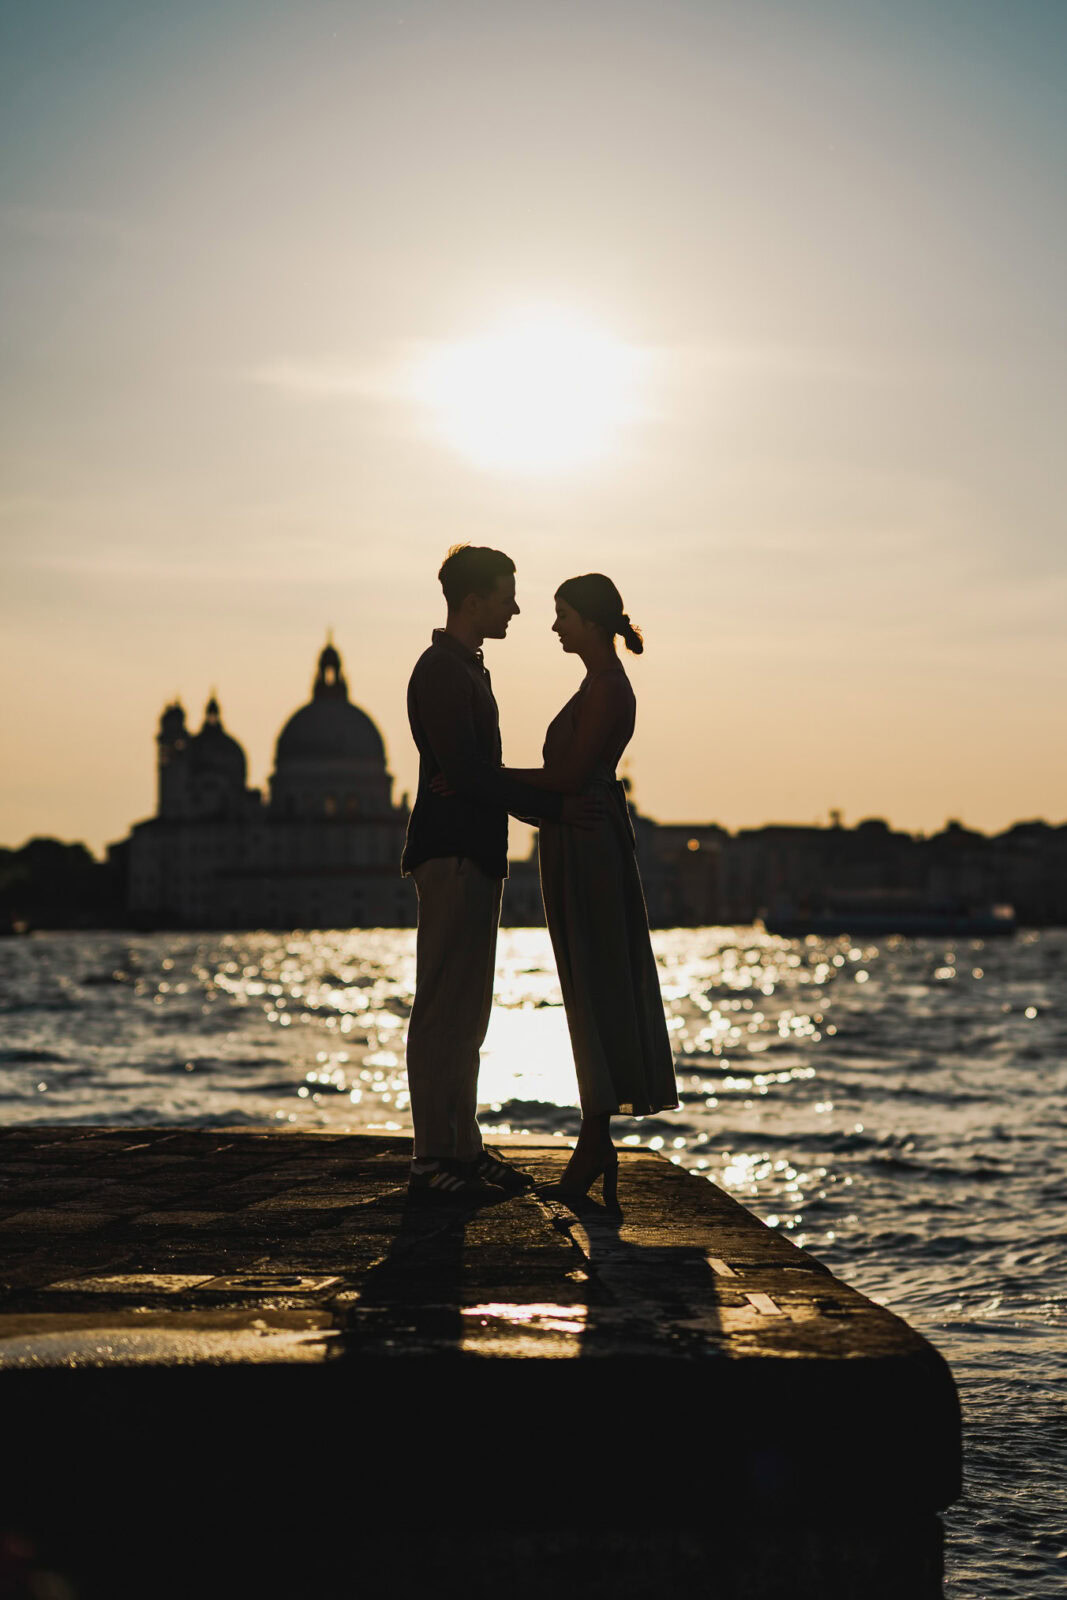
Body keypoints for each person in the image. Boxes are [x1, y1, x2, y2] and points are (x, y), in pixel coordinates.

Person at [443, 573, 678, 1209]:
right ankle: (595, 1138)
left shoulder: (606, 687)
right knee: (586, 978)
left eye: (564, 615)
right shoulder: (595, 684)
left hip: (588, 838)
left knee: (596, 977)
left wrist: (476, 778)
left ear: (593, 622)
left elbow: (569, 775)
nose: (554, 626)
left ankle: (593, 1141)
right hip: (574, 835)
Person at [402, 545, 601, 1200]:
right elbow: (464, 776)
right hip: (453, 855)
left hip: (475, 854)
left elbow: (474, 779)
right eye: (506, 593)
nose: (517, 607)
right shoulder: (440, 671)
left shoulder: (464, 669)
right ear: (473, 599)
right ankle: (435, 1159)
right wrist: (551, 805)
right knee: (442, 1013)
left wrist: (498, 790)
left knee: (466, 1015)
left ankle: (461, 1150)